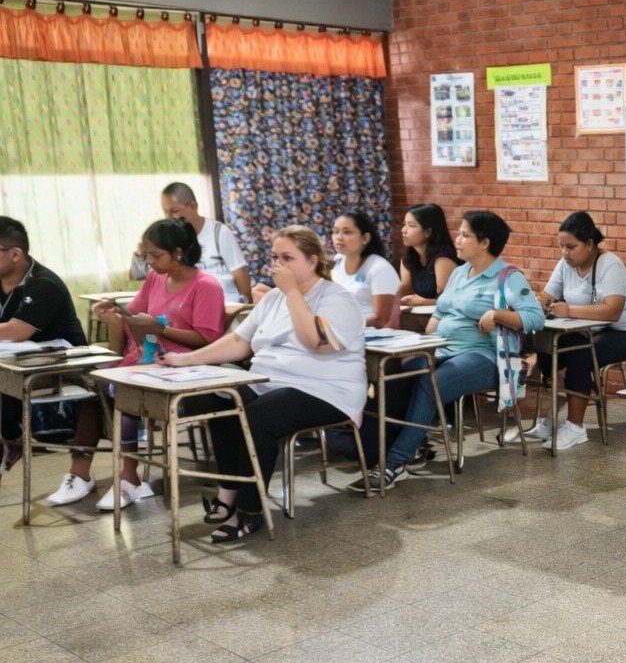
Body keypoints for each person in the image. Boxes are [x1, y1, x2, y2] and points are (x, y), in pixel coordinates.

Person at [160, 227, 365, 542]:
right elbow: (240, 342)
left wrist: (294, 293)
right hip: (269, 383)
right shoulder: (273, 299)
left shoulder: (336, 298)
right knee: (214, 397)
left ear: (312, 261)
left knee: (260, 414)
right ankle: (228, 490)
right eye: (274, 258)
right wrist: (188, 360)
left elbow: (315, 340)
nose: (278, 266)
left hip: (325, 390)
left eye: (287, 258)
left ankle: (250, 510)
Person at [353, 211, 543, 492]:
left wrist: (497, 314)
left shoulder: (507, 277)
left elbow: (535, 317)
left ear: (485, 243)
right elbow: (439, 313)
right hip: (442, 348)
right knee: (398, 373)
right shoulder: (458, 272)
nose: (458, 239)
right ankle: (409, 445)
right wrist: (422, 344)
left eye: (465, 234)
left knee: (432, 384)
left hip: (483, 356)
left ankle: (394, 462)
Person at [44, 219, 226, 510]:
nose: (149, 263)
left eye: (156, 256)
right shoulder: (155, 279)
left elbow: (208, 340)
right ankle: (80, 474)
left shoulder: (206, 286)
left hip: (184, 368)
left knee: (122, 392)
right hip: (147, 362)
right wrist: (114, 311)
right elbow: (133, 312)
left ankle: (128, 478)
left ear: (178, 252)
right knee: (92, 387)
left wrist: (160, 329)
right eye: (146, 255)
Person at [529, 212, 626, 450]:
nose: (565, 253)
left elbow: (612, 311)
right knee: (547, 350)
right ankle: (550, 419)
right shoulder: (565, 265)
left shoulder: (609, 264)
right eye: (561, 247)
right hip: (590, 332)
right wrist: (536, 302)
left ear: (590, 243)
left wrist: (569, 309)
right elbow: (547, 295)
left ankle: (575, 427)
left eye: (571, 247)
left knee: (579, 354)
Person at [0, 216, 89, 472]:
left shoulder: (43, 283)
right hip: (16, 363)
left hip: (64, 365)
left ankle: (11, 436)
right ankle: (10, 437)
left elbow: (18, 331)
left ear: (15, 254)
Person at [158, 182, 251, 303]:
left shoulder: (219, 232)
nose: (168, 217)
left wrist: (247, 308)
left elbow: (239, 273)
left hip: (226, 304)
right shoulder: (172, 238)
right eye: (165, 212)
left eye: (174, 211)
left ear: (193, 206)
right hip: (190, 305)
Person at [329, 210, 399, 328]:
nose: (338, 237)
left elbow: (380, 319)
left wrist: (341, 325)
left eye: (347, 232)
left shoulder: (380, 268)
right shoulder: (337, 261)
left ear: (365, 238)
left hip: (370, 336)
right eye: (335, 232)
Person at [397, 203, 459, 307]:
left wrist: (424, 302)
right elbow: (405, 291)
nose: (403, 230)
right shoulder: (407, 260)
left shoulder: (443, 259)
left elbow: (450, 301)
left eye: (411, 225)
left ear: (428, 231)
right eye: (404, 224)